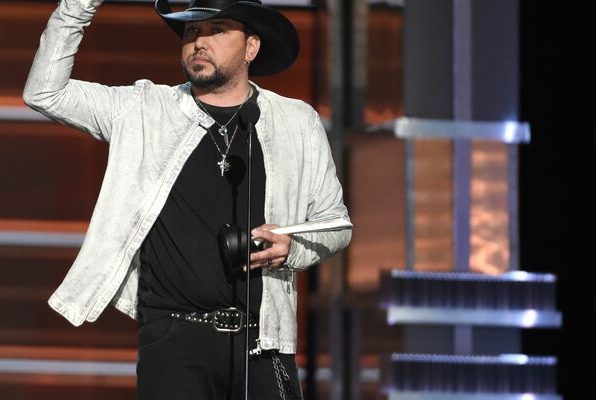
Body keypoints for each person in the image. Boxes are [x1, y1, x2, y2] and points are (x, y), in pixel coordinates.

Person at [23, 0, 351, 398]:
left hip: (263, 342)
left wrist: (292, 249)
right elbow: (45, 91)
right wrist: (79, 6)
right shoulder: (143, 109)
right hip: (174, 340)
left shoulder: (296, 121)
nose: (199, 42)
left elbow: (336, 224)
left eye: (217, 30)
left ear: (251, 47)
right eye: (192, 32)